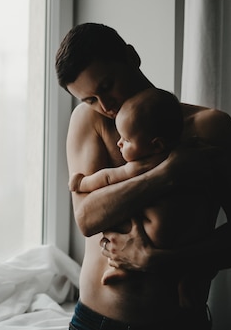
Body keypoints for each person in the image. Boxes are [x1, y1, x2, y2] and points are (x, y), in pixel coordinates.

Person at [56, 23, 231, 329]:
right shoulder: (91, 121)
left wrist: (158, 261)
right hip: (95, 321)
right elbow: (87, 218)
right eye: (89, 99)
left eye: (106, 86)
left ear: (131, 56)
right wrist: (166, 174)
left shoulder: (208, 127)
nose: (106, 106)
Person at [68, 87, 212, 299]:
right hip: (176, 229)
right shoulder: (182, 150)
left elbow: (107, 177)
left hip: (153, 228)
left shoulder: (137, 166)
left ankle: (119, 270)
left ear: (155, 144)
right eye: (90, 99)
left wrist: (82, 182)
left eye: (125, 140)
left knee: (123, 230)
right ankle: (186, 281)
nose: (119, 143)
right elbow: (85, 221)